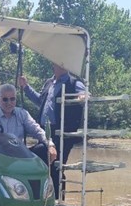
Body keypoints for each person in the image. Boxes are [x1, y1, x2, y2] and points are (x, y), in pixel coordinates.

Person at [19, 64, 86, 197]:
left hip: (63, 133)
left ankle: (57, 199)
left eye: (62, 63)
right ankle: (44, 197)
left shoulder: (74, 82)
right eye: (57, 63)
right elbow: (40, 101)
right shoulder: (49, 83)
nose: (60, 65)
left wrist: (82, 97)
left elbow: (84, 95)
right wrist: (26, 87)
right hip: (45, 131)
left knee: (56, 166)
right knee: (44, 165)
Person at [0, 84, 56, 166]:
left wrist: (50, 144)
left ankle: (46, 177)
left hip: (19, 153)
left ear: (16, 99)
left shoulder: (22, 113)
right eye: (5, 99)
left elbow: (36, 130)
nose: (9, 103)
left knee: (43, 149)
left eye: (12, 99)